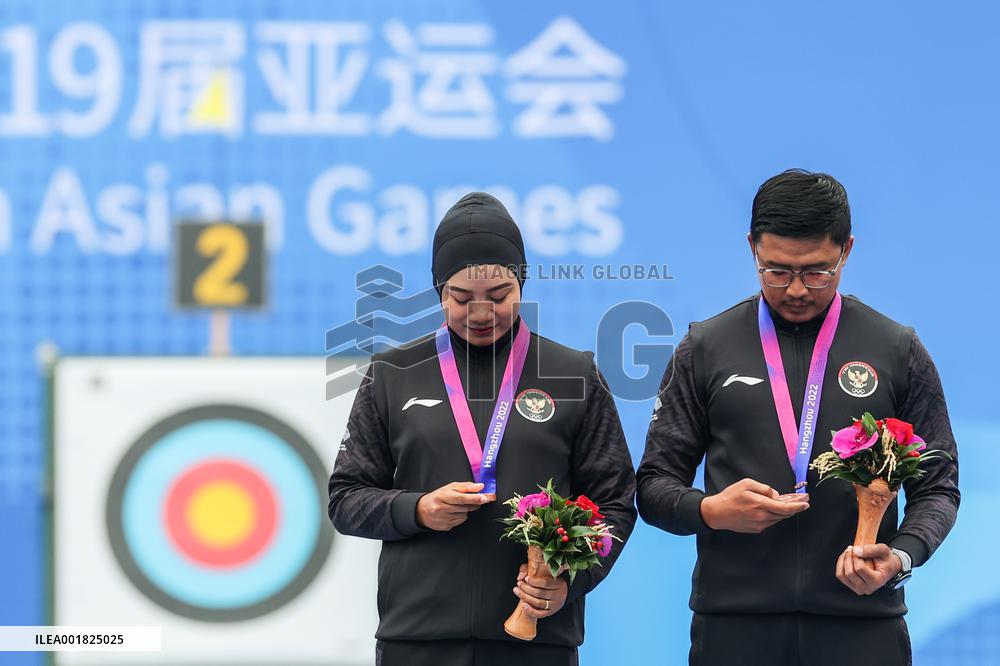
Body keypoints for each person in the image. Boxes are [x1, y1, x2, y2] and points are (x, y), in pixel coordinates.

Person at [637, 170, 960, 665]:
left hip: (862, 623)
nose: (795, 290)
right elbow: (653, 485)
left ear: (846, 250)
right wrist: (710, 511)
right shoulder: (705, 347)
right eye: (776, 271)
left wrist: (900, 555)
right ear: (752, 248)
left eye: (817, 272)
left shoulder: (897, 349)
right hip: (734, 626)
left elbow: (938, 486)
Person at [328, 192, 637, 666]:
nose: (480, 313)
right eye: (460, 298)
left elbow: (615, 502)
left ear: (522, 284)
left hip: (535, 640)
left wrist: (569, 582)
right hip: (418, 640)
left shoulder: (573, 374)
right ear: (438, 290)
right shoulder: (392, 373)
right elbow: (346, 499)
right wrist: (417, 509)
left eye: (498, 296)